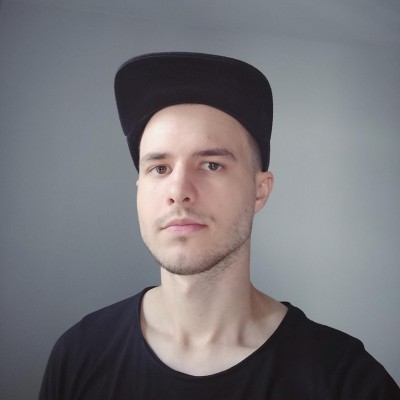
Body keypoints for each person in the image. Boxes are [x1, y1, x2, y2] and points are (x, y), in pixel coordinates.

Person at [39, 52, 400, 399]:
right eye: (159, 168)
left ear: (260, 191)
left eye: (211, 165)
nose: (178, 191)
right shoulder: (80, 354)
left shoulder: (346, 381)